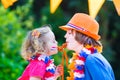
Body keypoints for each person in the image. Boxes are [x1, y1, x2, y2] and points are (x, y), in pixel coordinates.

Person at [59, 13, 115, 80]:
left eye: (69, 33)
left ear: (82, 36)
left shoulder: (92, 60)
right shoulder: (84, 60)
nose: (65, 36)